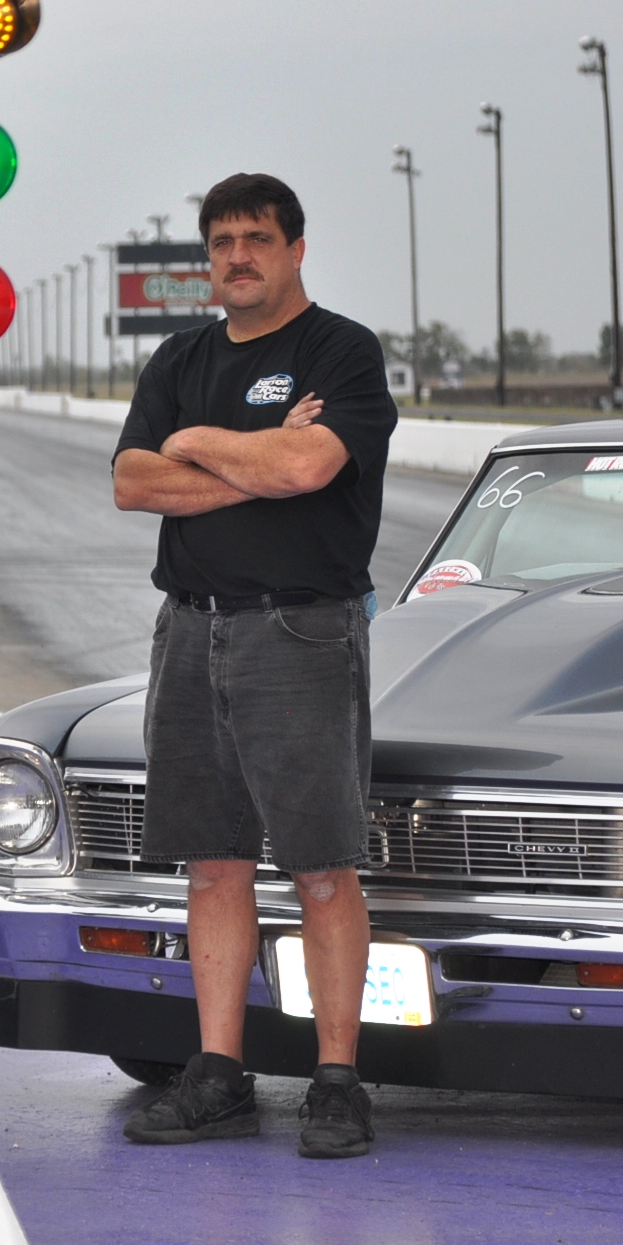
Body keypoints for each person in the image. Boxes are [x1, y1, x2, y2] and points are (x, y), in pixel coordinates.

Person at [110, 173, 397, 1159]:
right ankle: (218, 1072)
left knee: (320, 864)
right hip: (189, 629)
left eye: (256, 238)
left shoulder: (340, 351)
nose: (237, 254)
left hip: (299, 632)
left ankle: (334, 1079)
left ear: (294, 248)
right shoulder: (179, 357)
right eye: (221, 240)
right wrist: (248, 451)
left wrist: (209, 450)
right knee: (212, 862)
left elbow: (309, 469)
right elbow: (130, 479)